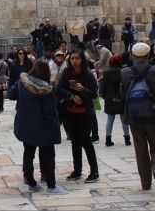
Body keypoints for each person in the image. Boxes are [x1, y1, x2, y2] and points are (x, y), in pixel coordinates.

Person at [9, 59, 67, 194]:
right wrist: (54, 127)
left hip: (26, 125)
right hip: (43, 127)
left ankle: (31, 183)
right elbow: (48, 111)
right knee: (49, 155)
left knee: (28, 153)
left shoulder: (22, 82)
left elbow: (11, 94)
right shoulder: (46, 88)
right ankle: (51, 186)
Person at [120, 42, 155, 192]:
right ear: (148, 55)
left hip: (135, 117)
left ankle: (146, 184)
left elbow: (123, 95)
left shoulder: (125, 73)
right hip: (154, 115)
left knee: (140, 151)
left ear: (132, 56)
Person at [56, 51, 99, 183]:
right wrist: (72, 96)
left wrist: (83, 90)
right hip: (70, 112)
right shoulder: (67, 72)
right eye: (72, 59)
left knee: (86, 141)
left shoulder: (88, 74)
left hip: (85, 113)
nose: (74, 61)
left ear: (82, 60)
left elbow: (94, 94)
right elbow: (58, 88)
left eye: (77, 58)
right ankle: (77, 170)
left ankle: (94, 171)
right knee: (75, 142)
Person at [100, 54, 131, 147]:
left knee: (110, 119)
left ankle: (108, 139)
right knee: (124, 119)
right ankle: (127, 139)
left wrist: (104, 96)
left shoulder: (106, 72)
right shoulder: (124, 72)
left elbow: (103, 87)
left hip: (110, 98)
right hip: (122, 97)